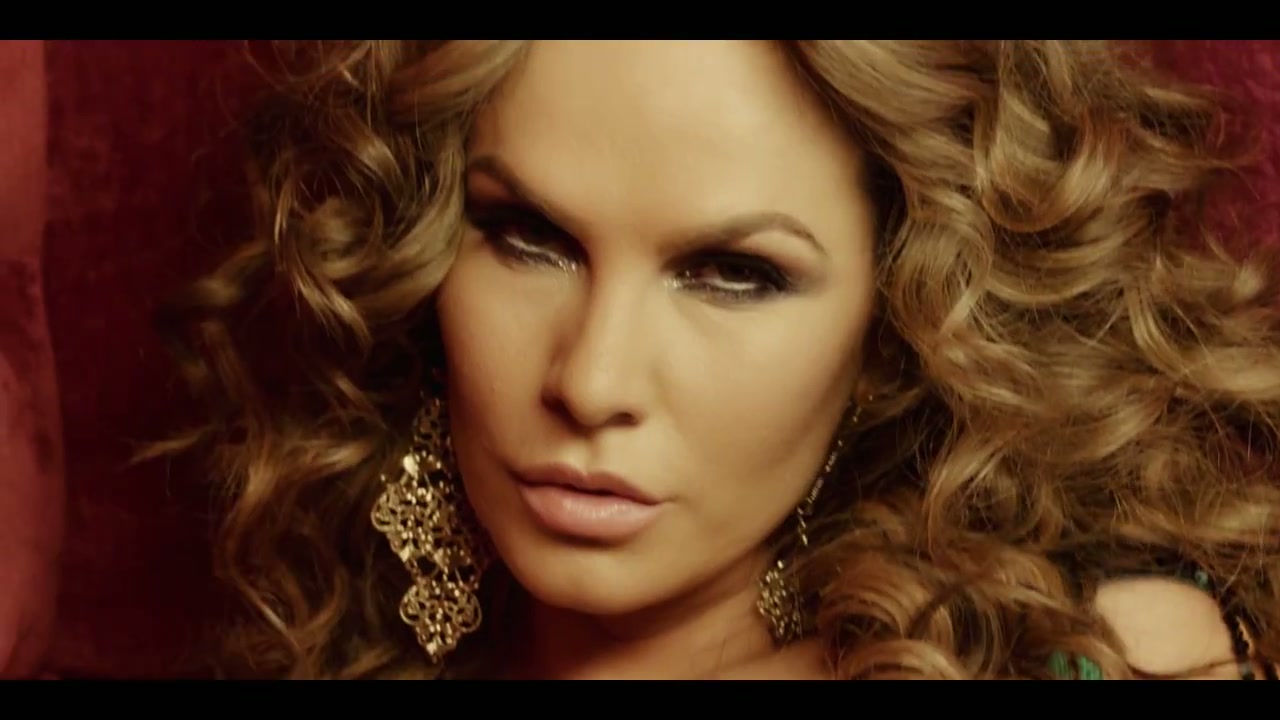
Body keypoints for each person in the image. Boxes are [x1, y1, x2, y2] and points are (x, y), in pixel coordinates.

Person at [154, 40, 1280, 680]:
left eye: (733, 274)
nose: (591, 381)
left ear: (902, 318)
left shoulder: (1094, 654)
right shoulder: (342, 648)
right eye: (527, 237)